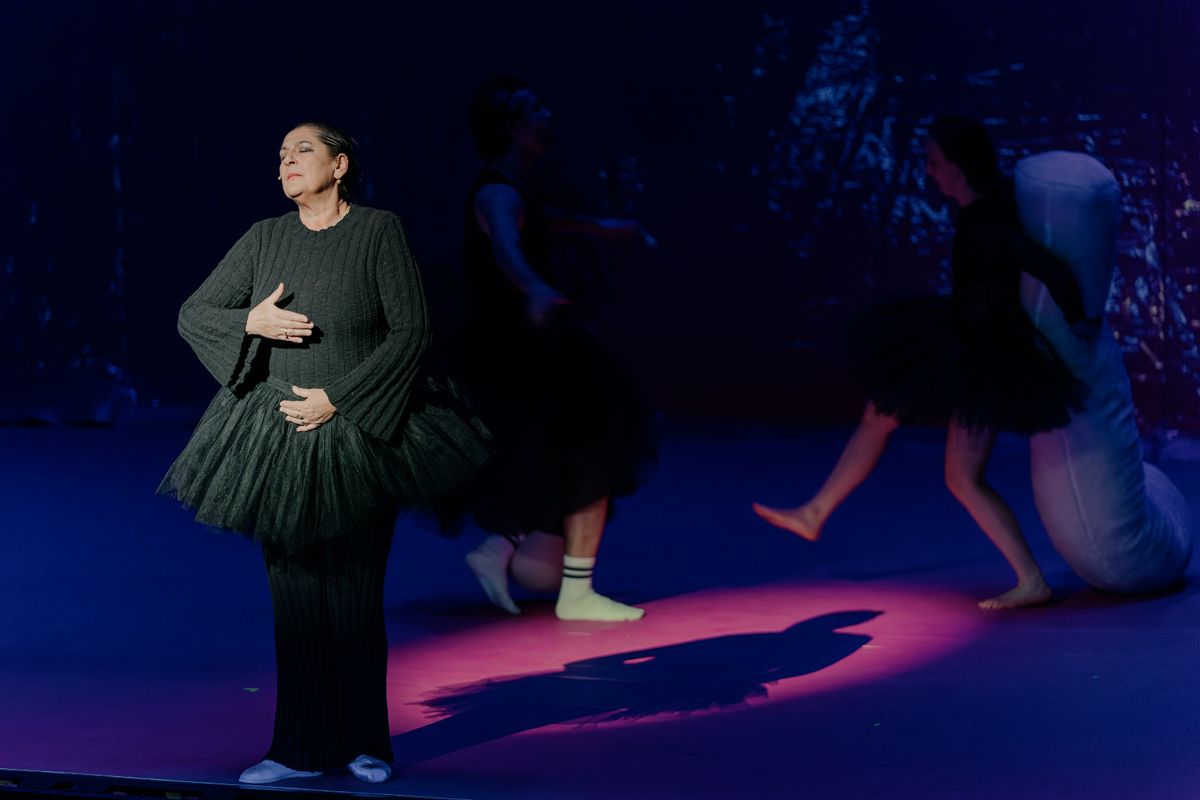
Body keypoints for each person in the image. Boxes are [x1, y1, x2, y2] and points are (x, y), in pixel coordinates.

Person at [158, 122, 489, 784]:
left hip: (358, 427)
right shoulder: (264, 237)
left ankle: (366, 741)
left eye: (302, 150)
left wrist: (338, 398)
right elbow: (193, 313)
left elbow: (412, 331)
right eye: (281, 154)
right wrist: (251, 320)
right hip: (277, 432)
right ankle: (299, 748)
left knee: (353, 589)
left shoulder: (378, 231)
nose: (287, 160)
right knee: (294, 595)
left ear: (338, 166)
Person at [753, 115, 1097, 610]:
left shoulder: (986, 223)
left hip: (984, 355)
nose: (928, 172)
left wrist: (1082, 323)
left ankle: (1031, 579)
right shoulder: (981, 211)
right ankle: (816, 511)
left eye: (934, 163)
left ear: (958, 167)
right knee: (883, 418)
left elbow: (1051, 269)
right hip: (964, 340)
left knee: (961, 476)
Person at [458, 76, 657, 621]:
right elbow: (507, 247)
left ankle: (505, 548)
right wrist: (533, 286)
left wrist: (602, 228)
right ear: (513, 128)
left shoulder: (513, 188)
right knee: (598, 441)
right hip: (523, 346)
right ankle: (569, 587)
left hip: (522, 345)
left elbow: (546, 218)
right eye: (535, 110)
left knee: (573, 451)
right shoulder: (498, 194)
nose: (547, 116)